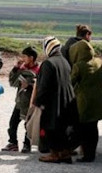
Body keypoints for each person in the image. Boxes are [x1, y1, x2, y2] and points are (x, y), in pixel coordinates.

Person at [34, 36, 78, 164]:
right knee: (62, 128)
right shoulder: (64, 61)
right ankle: (64, 153)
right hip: (67, 100)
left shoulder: (48, 63)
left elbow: (44, 86)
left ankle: (54, 154)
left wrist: (38, 102)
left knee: (51, 128)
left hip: (53, 102)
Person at [69, 40, 102, 162]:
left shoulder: (79, 66)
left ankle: (83, 153)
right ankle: (91, 154)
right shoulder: (99, 62)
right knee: (93, 128)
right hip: (97, 100)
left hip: (84, 101)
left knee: (83, 128)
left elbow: (71, 83)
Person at [2, 47, 41, 153]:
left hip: (30, 103)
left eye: (24, 56)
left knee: (28, 125)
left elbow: (41, 86)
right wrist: (16, 68)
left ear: (31, 58)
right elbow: (12, 82)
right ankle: (13, 143)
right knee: (13, 123)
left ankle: (27, 145)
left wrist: (30, 84)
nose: (22, 58)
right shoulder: (22, 68)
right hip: (20, 101)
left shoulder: (39, 70)